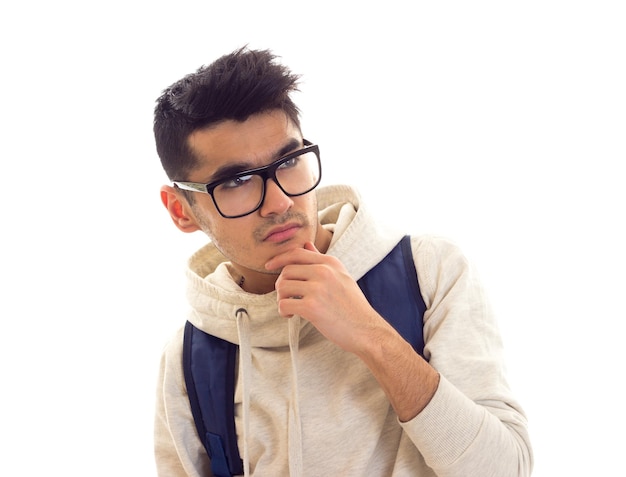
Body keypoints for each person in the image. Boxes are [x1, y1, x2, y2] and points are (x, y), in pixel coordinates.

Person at [153, 47, 533, 476]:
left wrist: (371, 336)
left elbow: (505, 469)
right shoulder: (193, 355)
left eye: (289, 161)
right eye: (237, 181)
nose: (279, 202)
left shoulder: (428, 271)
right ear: (181, 210)